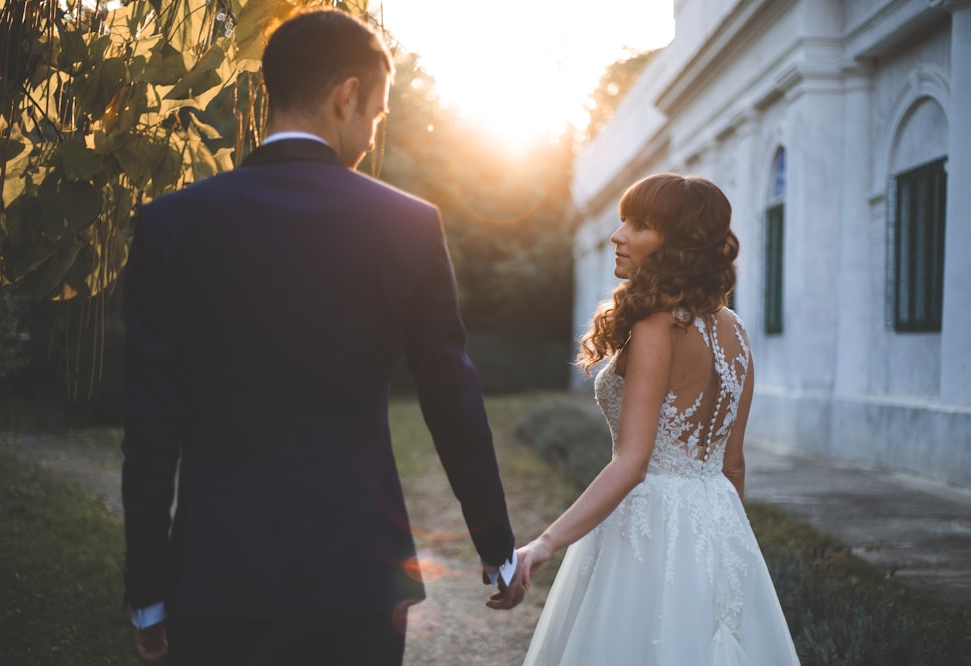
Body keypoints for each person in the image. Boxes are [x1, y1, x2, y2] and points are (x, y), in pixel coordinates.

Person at [121, 8, 524, 665]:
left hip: (217, 579)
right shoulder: (409, 226)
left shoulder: (172, 225)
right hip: (358, 579)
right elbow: (451, 396)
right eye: (378, 114)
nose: (372, 132)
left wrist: (148, 590)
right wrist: (496, 547)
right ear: (349, 96)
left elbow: (150, 427)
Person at [515, 174, 799, 664]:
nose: (617, 235)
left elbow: (632, 464)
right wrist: (724, 548)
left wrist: (544, 544)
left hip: (647, 526)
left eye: (640, 225)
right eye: (623, 220)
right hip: (721, 523)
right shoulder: (736, 332)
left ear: (678, 245)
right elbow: (732, 466)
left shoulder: (656, 324)